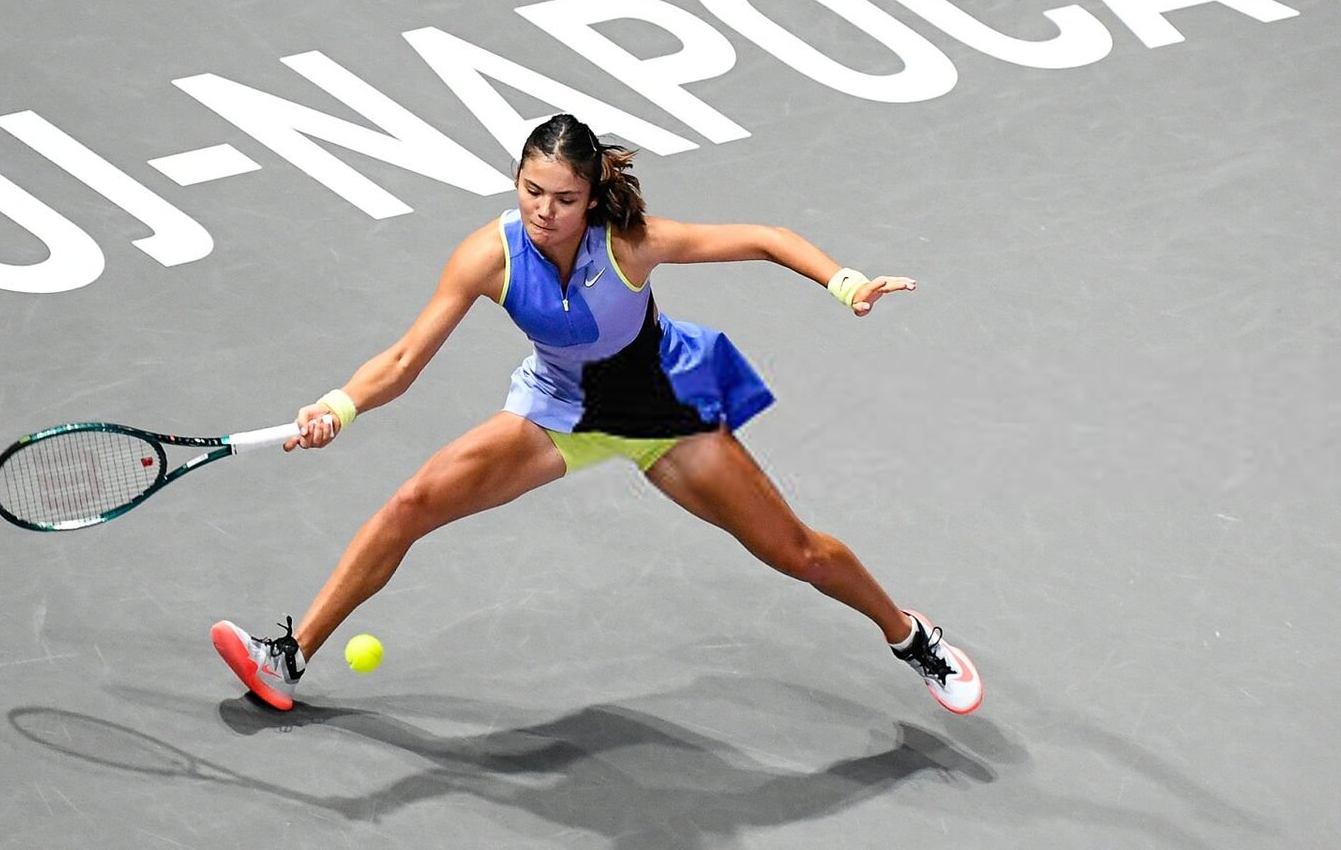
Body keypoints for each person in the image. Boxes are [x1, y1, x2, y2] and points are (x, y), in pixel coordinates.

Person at [211, 113, 982, 715]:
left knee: (798, 554)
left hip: (661, 408)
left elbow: (763, 238)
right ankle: (288, 657)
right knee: (412, 502)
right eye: (531, 191)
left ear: (590, 198)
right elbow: (405, 359)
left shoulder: (630, 244)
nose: (544, 211)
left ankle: (910, 636)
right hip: (557, 408)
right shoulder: (487, 255)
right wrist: (340, 406)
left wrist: (844, 282)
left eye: (564, 199)